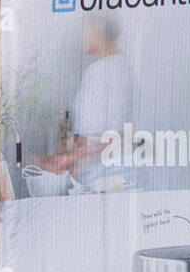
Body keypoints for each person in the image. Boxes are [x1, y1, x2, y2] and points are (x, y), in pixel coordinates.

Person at [40, 15, 134, 179]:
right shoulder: (100, 69)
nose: (83, 36)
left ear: (97, 29)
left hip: (110, 176)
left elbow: (113, 138)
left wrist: (69, 159)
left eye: (85, 29)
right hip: (98, 173)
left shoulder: (111, 72)